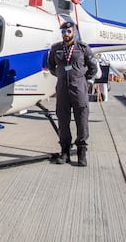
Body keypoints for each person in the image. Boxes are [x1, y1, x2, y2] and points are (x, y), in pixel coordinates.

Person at [47, 21, 99, 166]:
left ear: (73, 32)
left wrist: (82, 79)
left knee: (82, 119)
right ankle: (65, 151)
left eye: (68, 31)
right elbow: (51, 66)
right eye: (63, 32)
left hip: (79, 88)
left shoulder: (82, 48)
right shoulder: (56, 49)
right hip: (62, 89)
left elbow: (93, 67)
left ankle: (81, 151)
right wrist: (61, 75)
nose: (65, 34)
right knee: (63, 120)